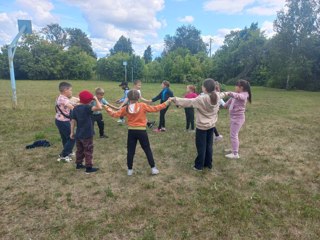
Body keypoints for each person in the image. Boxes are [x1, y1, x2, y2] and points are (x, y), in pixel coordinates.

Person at [104, 90, 171, 176]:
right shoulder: (142, 105)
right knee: (147, 149)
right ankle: (153, 168)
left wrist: (106, 107)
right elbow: (156, 108)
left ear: (128, 98)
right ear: (138, 97)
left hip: (131, 132)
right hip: (142, 131)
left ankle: (129, 170)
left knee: (130, 151)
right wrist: (167, 102)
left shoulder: (126, 108)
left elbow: (114, 114)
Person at [171, 79, 227, 171]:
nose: (201, 87)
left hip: (202, 128)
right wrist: (229, 93)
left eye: (202, 86)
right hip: (211, 126)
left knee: (201, 147)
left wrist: (175, 99)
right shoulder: (217, 95)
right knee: (209, 146)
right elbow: (223, 94)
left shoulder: (201, 99)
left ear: (205, 88)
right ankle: (208, 164)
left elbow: (188, 102)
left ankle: (199, 166)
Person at [70, 90, 102, 174]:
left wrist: (72, 132)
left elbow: (73, 121)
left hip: (78, 133)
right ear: (89, 100)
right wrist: (96, 99)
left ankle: (79, 164)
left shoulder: (75, 108)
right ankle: (88, 167)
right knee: (88, 150)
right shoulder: (87, 107)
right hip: (87, 133)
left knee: (79, 150)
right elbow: (99, 108)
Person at [224, 80, 252, 159]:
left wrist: (230, 92)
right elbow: (232, 98)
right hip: (234, 118)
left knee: (233, 135)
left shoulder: (244, 95)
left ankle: (235, 154)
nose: (235, 87)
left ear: (241, 87)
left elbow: (239, 97)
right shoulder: (237, 94)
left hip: (238, 119)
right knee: (232, 134)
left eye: (236, 86)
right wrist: (226, 104)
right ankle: (233, 148)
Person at [55, 82, 77, 162]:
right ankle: (64, 155)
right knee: (72, 137)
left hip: (60, 120)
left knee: (65, 137)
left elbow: (72, 103)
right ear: (65, 90)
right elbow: (72, 107)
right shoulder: (63, 99)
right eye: (70, 90)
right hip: (63, 121)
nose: (71, 92)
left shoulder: (61, 97)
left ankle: (68, 151)